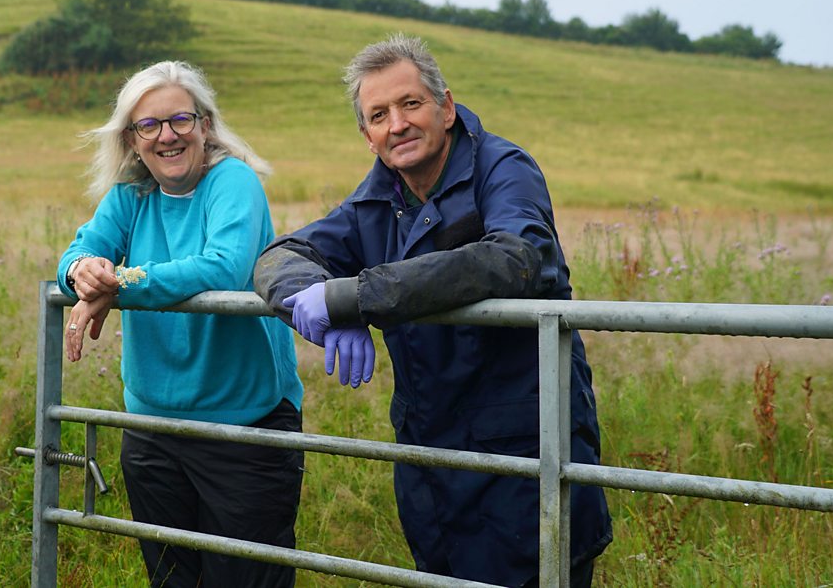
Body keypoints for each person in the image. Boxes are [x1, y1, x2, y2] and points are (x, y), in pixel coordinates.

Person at [254, 35, 611, 586]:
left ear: (446, 107)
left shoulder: (502, 167)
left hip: (523, 449)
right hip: (429, 455)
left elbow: (516, 258)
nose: (397, 123)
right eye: (379, 114)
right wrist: (330, 303)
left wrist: (356, 296)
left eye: (410, 104)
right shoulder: (376, 200)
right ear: (367, 136)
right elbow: (282, 256)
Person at [59, 60, 305, 588]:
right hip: (153, 430)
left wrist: (118, 281)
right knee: (171, 580)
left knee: (243, 581)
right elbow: (80, 251)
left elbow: (224, 266)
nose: (166, 136)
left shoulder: (232, 181)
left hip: (245, 426)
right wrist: (83, 270)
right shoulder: (130, 196)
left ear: (205, 125)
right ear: (131, 139)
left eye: (179, 120)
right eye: (149, 125)